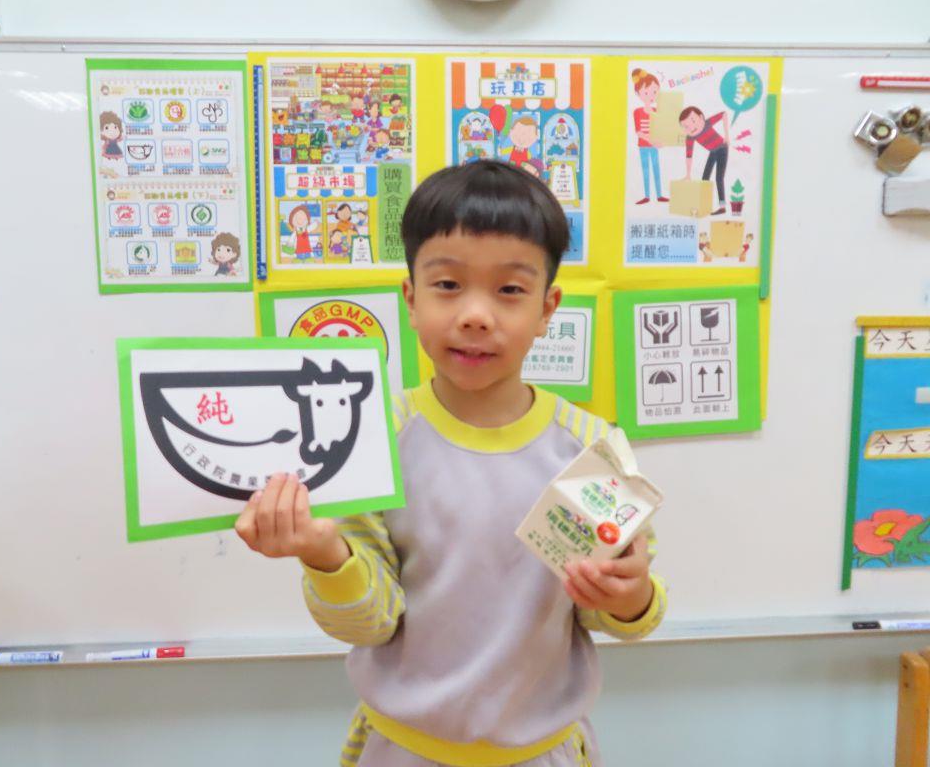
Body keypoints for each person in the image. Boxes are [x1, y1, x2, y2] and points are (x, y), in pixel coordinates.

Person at [235, 160, 667, 767]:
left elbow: (618, 615)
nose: (475, 314)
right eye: (447, 285)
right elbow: (368, 623)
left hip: (542, 752)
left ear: (548, 309)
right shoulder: (373, 438)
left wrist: (631, 594)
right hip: (402, 750)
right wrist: (324, 554)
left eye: (510, 290)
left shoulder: (590, 448)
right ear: (411, 300)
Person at [680, 106, 732, 216]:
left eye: (693, 121)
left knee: (719, 178)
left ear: (701, 117)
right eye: (686, 126)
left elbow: (723, 114)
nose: (691, 127)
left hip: (722, 148)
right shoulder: (690, 138)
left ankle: (722, 207)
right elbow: (689, 156)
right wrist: (688, 174)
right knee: (705, 179)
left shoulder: (707, 123)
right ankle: (704, 205)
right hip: (713, 152)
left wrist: (727, 136)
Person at [630, 69, 668, 205]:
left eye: (654, 92)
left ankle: (659, 195)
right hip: (644, 147)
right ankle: (647, 196)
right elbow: (639, 132)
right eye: (646, 93)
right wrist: (652, 140)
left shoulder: (657, 111)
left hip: (654, 146)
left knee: (656, 170)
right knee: (646, 170)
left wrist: (662, 141)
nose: (651, 96)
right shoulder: (637, 111)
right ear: (638, 93)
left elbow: (661, 128)